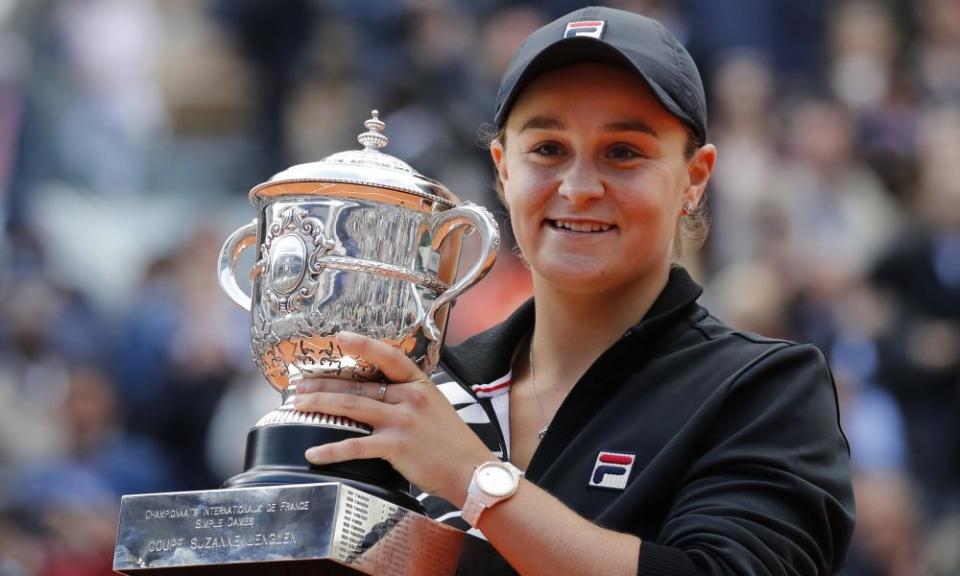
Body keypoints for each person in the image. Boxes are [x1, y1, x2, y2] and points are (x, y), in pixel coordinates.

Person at [293, 6, 856, 575]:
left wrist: (475, 480)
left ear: (694, 178)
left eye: (624, 152)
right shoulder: (426, 400)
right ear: (503, 171)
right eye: (547, 149)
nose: (580, 187)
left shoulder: (762, 390)